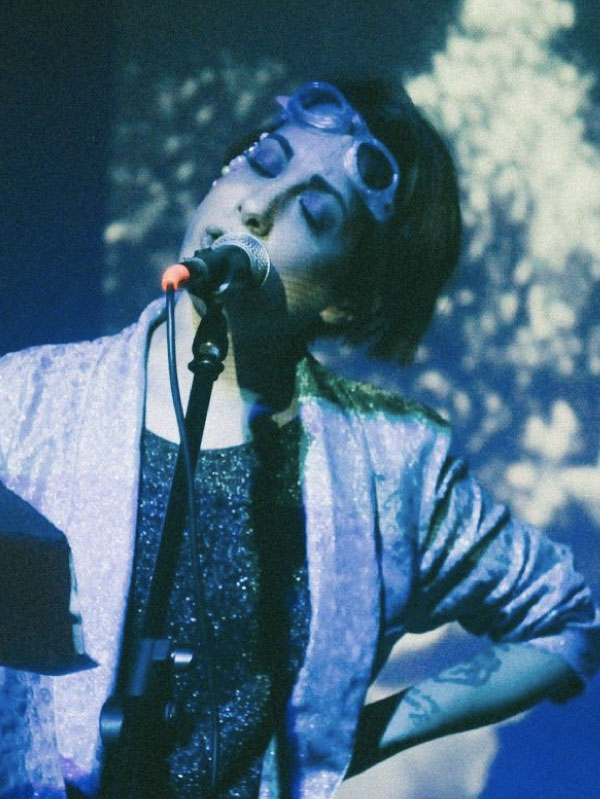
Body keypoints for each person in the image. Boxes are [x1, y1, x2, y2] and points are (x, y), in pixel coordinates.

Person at [0, 80, 598, 799]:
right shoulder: (25, 400)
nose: (257, 207)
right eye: (263, 163)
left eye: (314, 213)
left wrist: (360, 737)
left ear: (349, 298)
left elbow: (568, 623)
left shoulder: (392, 466)